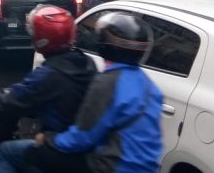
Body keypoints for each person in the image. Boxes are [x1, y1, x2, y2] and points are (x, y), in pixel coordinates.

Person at [25, 12, 163, 173]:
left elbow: (82, 137)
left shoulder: (108, 82)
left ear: (105, 45)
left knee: (26, 153)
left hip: (112, 167)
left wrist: (49, 139)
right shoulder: (148, 85)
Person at [0, 5, 96, 173]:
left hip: (59, 149)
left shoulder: (49, 74)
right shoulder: (85, 63)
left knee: (5, 152)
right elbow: (28, 94)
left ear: (42, 39)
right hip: (83, 151)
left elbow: (10, 102)